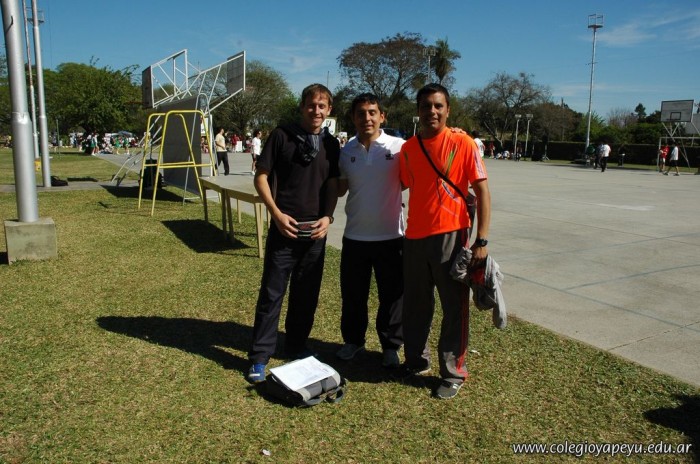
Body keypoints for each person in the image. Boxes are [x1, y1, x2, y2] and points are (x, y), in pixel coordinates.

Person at [398, 83, 491, 400]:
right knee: (415, 305)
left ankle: (452, 373)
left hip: (451, 234)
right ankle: (416, 360)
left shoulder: (463, 143)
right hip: (414, 236)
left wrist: (482, 240)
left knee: (454, 307)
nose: (432, 111)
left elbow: (482, 192)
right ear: (418, 110)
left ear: (448, 110)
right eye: (426, 106)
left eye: (438, 106)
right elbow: (405, 183)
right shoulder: (408, 148)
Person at [246, 83, 340, 383]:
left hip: (315, 232)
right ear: (302, 107)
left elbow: (332, 184)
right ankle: (260, 356)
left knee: (306, 295)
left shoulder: (331, 144)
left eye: (322, 106)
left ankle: (296, 345)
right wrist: (276, 214)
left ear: (329, 110)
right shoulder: (281, 136)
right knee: (272, 295)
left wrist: (327, 217)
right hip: (284, 229)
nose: (316, 111)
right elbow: (261, 177)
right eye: (311, 105)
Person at [335, 93, 405, 368]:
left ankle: (390, 346)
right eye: (361, 113)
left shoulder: (399, 147)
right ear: (353, 118)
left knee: (392, 297)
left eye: (372, 112)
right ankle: (353, 341)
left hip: (391, 236)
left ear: (382, 116)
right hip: (355, 236)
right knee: (353, 295)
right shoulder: (345, 151)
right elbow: (339, 188)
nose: (367, 118)